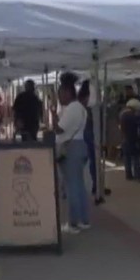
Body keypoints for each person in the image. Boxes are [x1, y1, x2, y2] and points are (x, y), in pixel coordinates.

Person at [54, 82, 91, 233]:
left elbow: (59, 129)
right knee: (79, 185)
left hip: (71, 148)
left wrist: (53, 118)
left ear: (68, 93)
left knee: (72, 186)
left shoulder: (72, 109)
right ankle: (83, 219)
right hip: (80, 145)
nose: (59, 97)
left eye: (60, 94)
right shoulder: (81, 108)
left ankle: (73, 222)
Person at [77, 80, 102, 204]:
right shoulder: (87, 103)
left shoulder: (79, 101)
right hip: (89, 132)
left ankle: (95, 185)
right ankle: (95, 185)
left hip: (84, 133)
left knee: (89, 161)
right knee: (92, 160)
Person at [119, 98, 140, 181]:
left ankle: (128, 174)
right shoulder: (133, 115)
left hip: (124, 138)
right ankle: (138, 175)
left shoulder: (122, 114)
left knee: (127, 158)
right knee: (135, 157)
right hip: (132, 138)